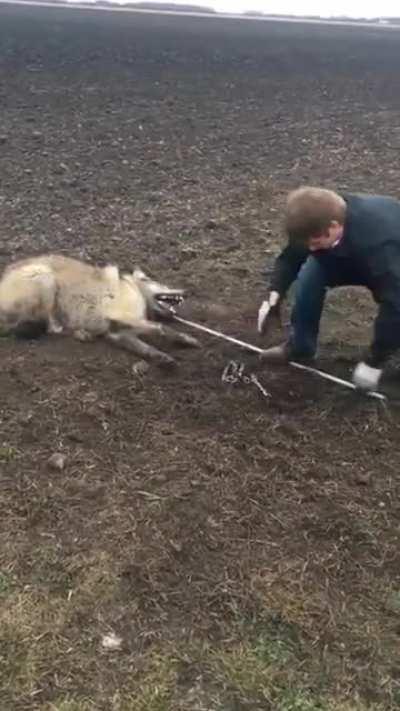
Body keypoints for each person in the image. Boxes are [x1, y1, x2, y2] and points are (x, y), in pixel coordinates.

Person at [257, 186, 400, 392]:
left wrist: (374, 362)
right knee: (308, 278)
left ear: (334, 226)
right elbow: (291, 257)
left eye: (315, 243)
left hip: (391, 261)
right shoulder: (316, 218)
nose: (312, 249)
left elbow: (395, 304)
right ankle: (300, 347)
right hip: (344, 254)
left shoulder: (380, 245)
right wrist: (273, 296)